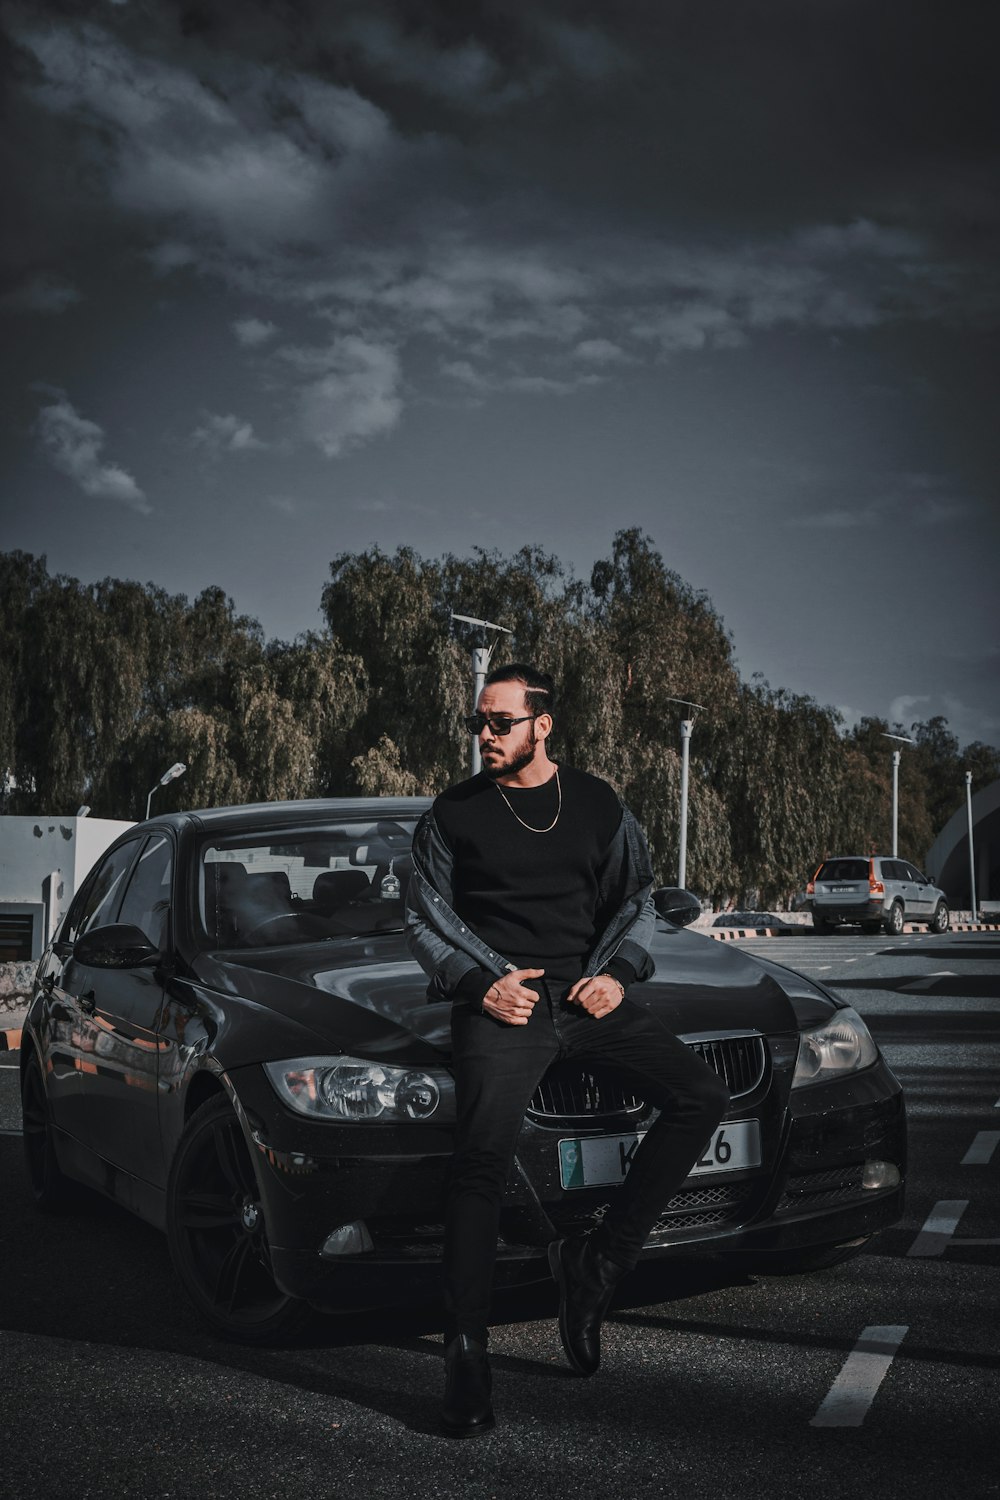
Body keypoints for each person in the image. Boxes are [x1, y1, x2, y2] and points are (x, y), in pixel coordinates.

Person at [405, 663, 729, 1438]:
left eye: (500, 722)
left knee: (700, 1097)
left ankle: (597, 1265)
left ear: (541, 725)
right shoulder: (451, 816)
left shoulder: (597, 804)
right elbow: (422, 916)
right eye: (478, 723)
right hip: (503, 1003)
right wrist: (476, 984)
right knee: (479, 1162)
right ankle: (466, 1353)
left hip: (587, 1002)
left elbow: (637, 898)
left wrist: (617, 975)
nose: (484, 735)